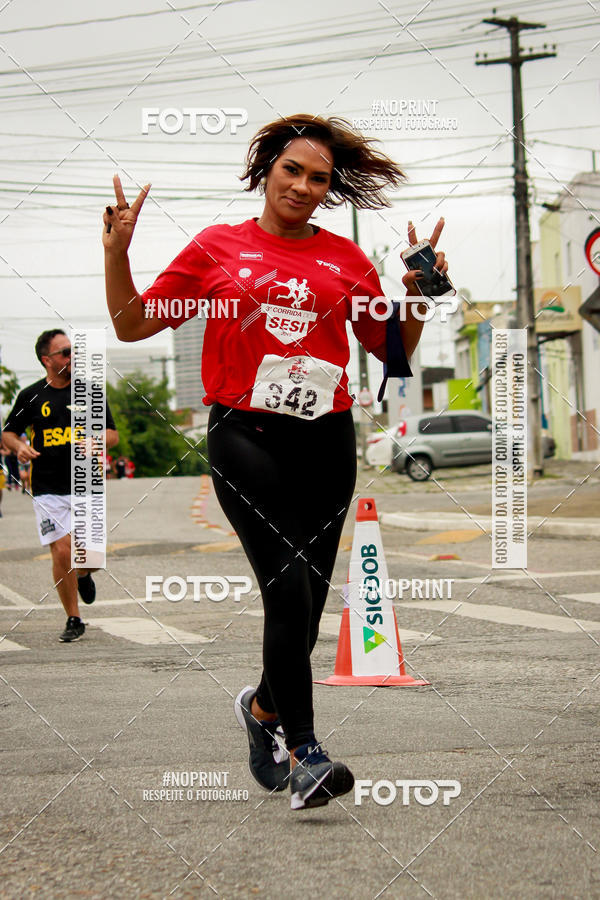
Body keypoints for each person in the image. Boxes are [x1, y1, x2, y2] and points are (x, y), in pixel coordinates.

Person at [103, 114, 450, 810]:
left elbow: (390, 352)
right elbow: (134, 322)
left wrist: (414, 294)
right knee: (287, 585)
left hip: (326, 436)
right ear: (267, 171)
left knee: (309, 598)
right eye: (292, 170)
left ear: (329, 191)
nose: (302, 185)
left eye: (318, 178)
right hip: (245, 433)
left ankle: (263, 709)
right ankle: (307, 753)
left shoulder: (346, 262)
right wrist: (118, 251)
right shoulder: (217, 248)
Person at [2, 329, 119, 642]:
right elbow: (8, 433)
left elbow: (112, 434)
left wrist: (98, 440)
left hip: (86, 482)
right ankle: (73, 617)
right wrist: (19, 448)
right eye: (65, 352)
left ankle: (83, 575)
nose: (73, 357)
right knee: (62, 550)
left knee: (90, 556)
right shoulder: (30, 396)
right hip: (48, 486)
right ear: (47, 360)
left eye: (73, 351)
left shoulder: (90, 392)